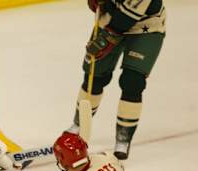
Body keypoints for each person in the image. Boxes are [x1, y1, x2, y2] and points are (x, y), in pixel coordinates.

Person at [67, 0, 166, 160]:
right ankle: (79, 125)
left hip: (146, 28)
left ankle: (123, 138)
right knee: (95, 76)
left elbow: (126, 17)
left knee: (132, 81)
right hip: (109, 22)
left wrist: (105, 38)